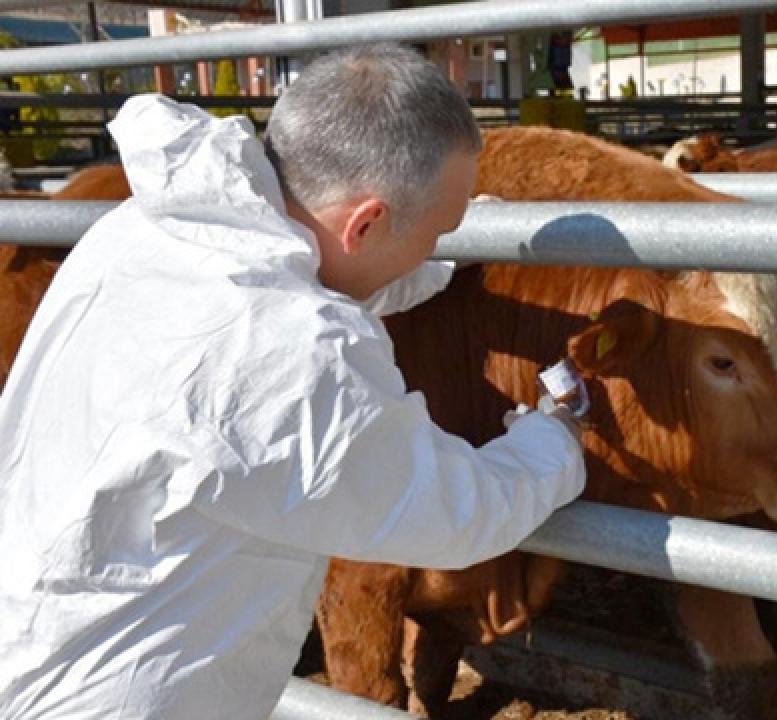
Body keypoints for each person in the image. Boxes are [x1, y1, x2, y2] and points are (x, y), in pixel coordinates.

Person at [0, 43, 587, 719]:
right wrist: (556, 437)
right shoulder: (293, 356)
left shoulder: (150, 230)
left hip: (28, 638)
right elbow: (454, 511)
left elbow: (302, 277)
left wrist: (434, 267)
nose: (440, 246)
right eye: (439, 232)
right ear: (366, 222)